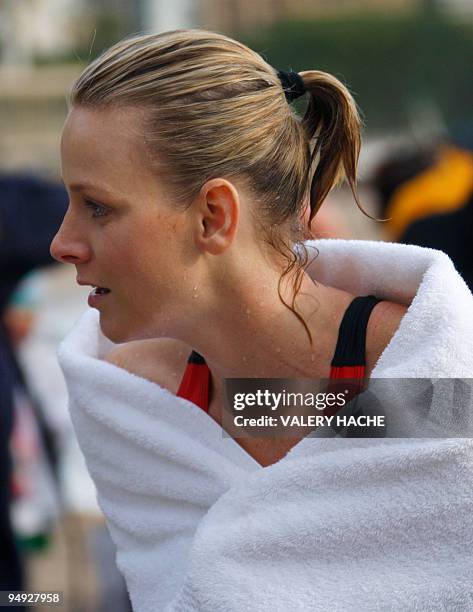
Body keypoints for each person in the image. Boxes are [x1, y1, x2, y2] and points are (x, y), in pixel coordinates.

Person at [52, 30, 473, 611]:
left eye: (97, 206)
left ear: (214, 216)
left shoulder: (435, 381)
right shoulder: (131, 404)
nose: (62, 243)